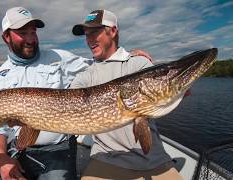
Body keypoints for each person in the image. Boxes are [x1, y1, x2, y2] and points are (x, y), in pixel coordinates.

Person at [0, 7, 93, 180]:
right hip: (16, 149)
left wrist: (130, 58)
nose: (31, 39)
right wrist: (2, 159)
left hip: (57, 149)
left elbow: (99, 65)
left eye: (33, 32)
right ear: (6, 37)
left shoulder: (59, 58)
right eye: (23, 33)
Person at [70, 9, 183, 180]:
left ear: (113, 31)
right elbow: (68, 104)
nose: (89, 40)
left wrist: (180, 86)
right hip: (105, 160)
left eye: (94, 32)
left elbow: (167, 92)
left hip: (154, 160)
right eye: (86, 35)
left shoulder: (138, 63)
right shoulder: (86, 75)